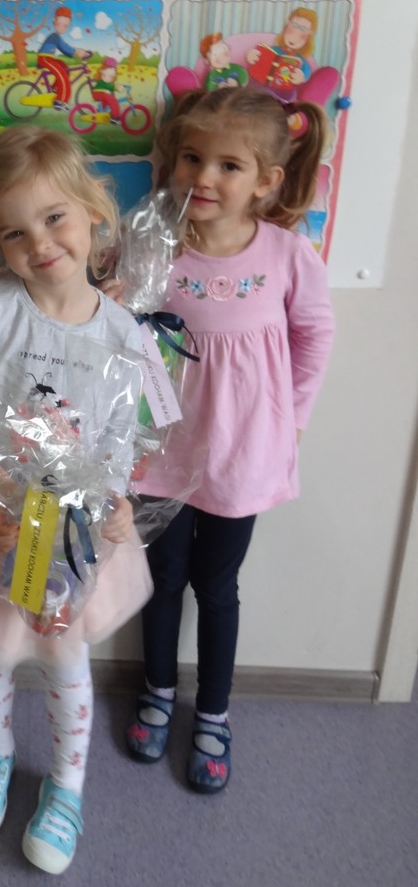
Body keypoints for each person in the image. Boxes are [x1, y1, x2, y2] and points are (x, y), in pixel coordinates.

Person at [0, 126, 153, 874]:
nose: (39, 243)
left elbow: (121, 437)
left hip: (74, 547)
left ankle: (66, 786)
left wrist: (115, 501)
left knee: (64, 659)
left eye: (54, 217)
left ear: (94, 211)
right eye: (14, 232)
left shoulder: (124, 333)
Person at [122, 88, 334, 793]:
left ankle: (213, 711)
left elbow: (315, 336)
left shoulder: (287, 253)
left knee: (216, 587)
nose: (204, 177)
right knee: (161, 580)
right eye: (192, 158)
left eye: (229, 165)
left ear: (267, 180)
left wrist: (293, 421)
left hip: (243, 455)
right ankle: (157, 691)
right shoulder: (152, 248)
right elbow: (119, 334)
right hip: (161, 453)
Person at [246, 7, 318, 93]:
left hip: (282, 91)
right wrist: (252, 56)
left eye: (303, 29)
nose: (295, 34)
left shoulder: (300, 60)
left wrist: (301, 76)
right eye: (294, 25)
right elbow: (261, 56)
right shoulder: (274, 50)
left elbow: (306, 72)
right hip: (260, 85)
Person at [37, 4, 91, 110]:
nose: (61, 28)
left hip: (48, 58)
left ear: (69, 25)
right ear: (54, 21)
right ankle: (60, 101)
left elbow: (65, 49)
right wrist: (77, 52)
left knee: (64, 67)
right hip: (44, 58)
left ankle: (54, 90)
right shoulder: (54, 37)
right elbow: (65, 47)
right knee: (63, 76)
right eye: (59, 24)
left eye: (65, 26)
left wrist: (77, 52)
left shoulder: (57, 37)